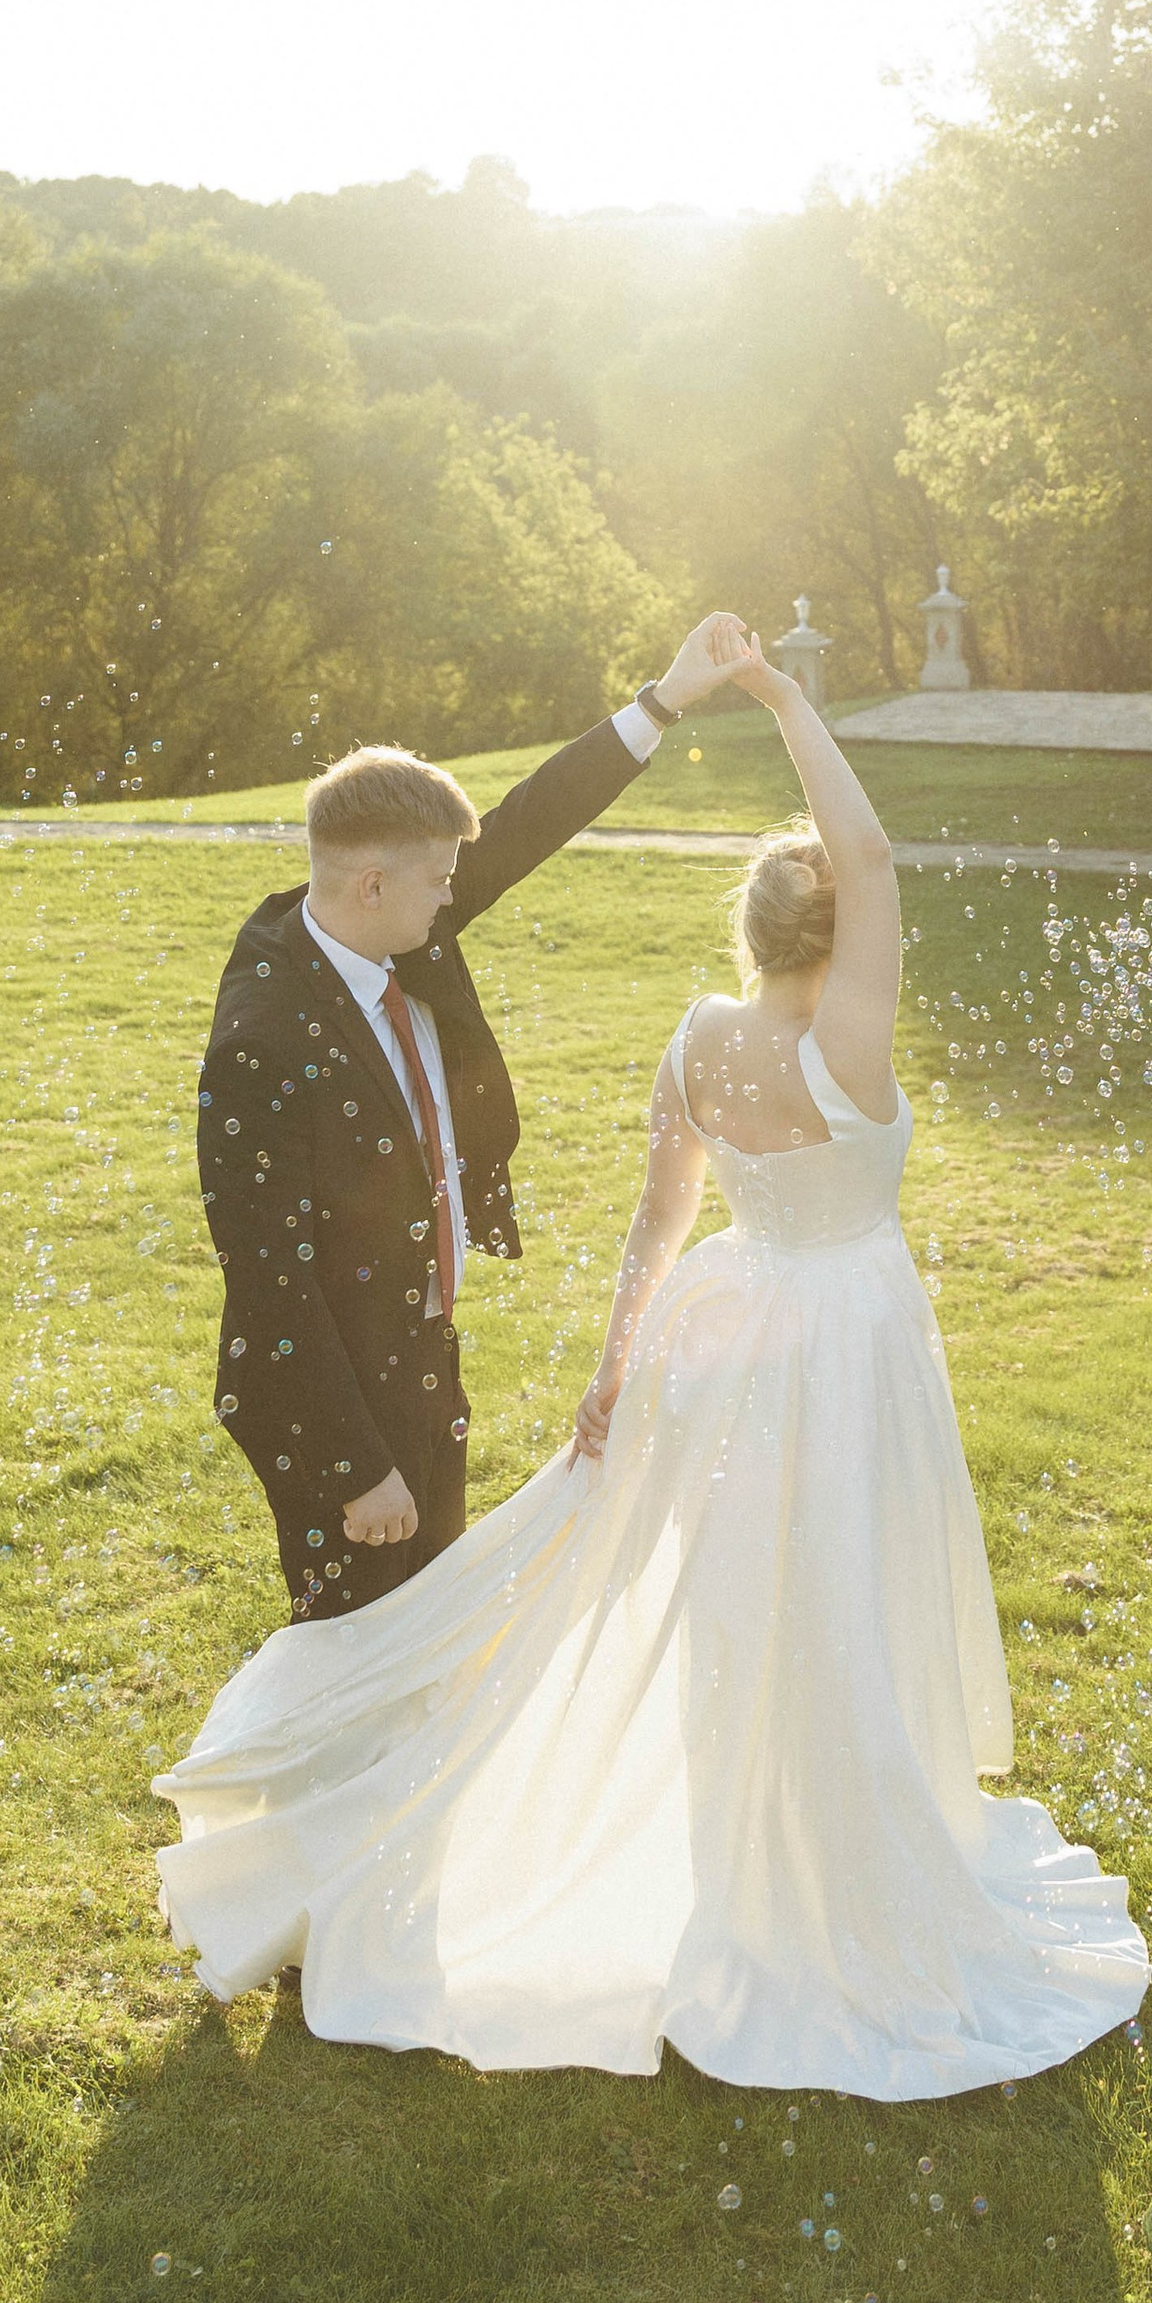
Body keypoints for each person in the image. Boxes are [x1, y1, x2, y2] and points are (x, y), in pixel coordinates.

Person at [157, 620, 1151, 2100]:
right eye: (430, 881)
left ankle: (623, 1848)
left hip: (711, 1341)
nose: (448, 898)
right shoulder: (845, 1046)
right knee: (810, 1593)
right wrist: (783, 695)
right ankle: (372, 1874)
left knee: (721, 1602)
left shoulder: (690, 1038)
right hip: (794, 1352)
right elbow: (871, 857)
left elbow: (655, 1218)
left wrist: (617, 1369)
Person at [197, 614, 752, 1624]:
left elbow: (529, 820)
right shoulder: (262, 1039)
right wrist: (355, 1466)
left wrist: (664, 700)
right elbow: (271, 1281)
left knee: (426, 1636)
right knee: (354, 1652)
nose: (454, 899)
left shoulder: (389, 928)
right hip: (332, 1395)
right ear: (372, 884)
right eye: (439, 882)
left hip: (416, 1348)